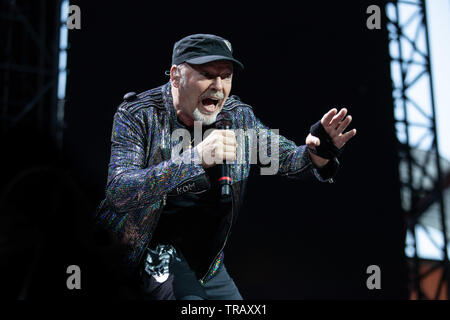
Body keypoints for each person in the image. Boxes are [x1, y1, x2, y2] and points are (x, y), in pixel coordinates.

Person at [94, 34, 357, 300]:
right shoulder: (139, 114)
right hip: (146, 253)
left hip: (206, 263)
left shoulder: (237, 116)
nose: (218, 87)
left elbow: (288, 160)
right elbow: (120, 191)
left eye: (226, 76)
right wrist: (194, 159)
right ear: (175, 76)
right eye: (206, 74)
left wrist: (319, 152)